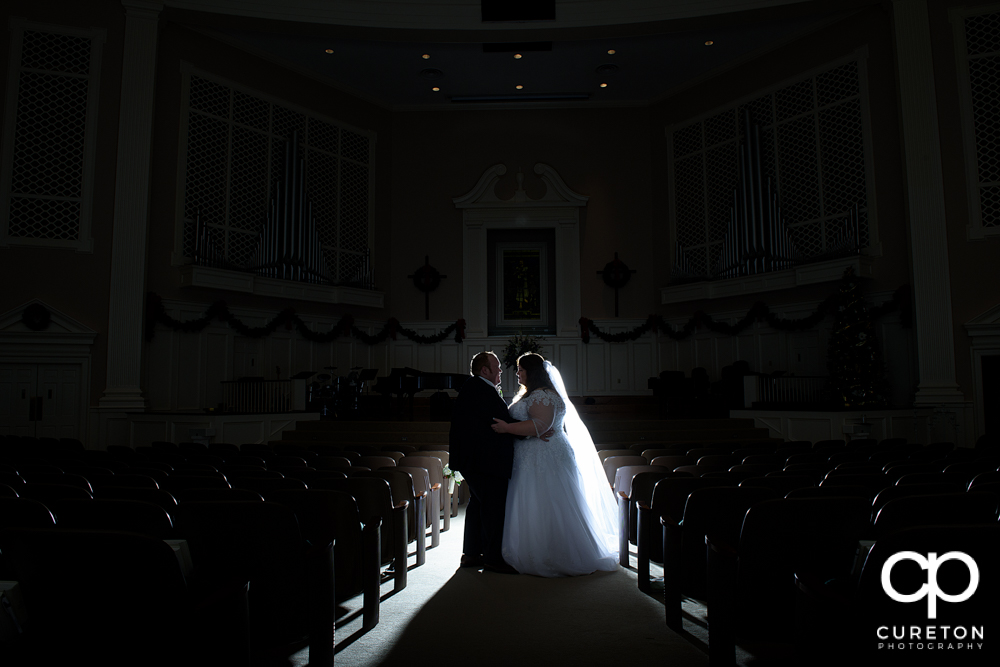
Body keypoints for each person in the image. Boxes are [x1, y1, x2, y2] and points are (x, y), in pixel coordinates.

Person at [491, 353, 619, 577]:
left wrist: (508, 429)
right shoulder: (532, 394)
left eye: (521, 369)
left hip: (545, 455)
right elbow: (535, 424)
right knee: (532, 501)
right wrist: (527, 428)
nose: (517, 373)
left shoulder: (543, 395)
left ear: (533, 372)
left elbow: (540, 424)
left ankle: (554, 553)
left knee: (548, 501)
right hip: (533, 453)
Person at [448, 351, 520, 574]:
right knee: (493, 508)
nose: (500, 370)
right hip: (484, 461)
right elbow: (502, 421)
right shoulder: (480, 389)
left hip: (476, 460)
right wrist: (534, 428)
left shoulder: (475, 387)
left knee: (478, 504)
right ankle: (493, 559)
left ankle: (471, 553)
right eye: (496, 367)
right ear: (484, 370)